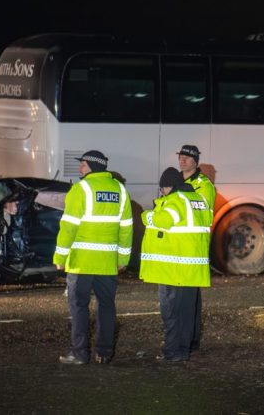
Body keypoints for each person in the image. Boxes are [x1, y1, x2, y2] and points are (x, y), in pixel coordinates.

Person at [54, 150, 133, 365]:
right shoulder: (120, 190)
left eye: (82, 165)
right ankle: (105, 353)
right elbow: (126, 228)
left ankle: (80, 353)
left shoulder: (81, 189)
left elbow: (68, 227)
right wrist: (123, 260)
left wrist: (60, 256)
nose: (80, 168)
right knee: (106, 306)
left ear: (91, 166)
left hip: (82, 262)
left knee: (79, 307)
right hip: (107, 264)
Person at [139, 167, 212, 362]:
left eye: (162, 189)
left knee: (171, 313)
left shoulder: (175, 201)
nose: (162, 192)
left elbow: (164, 220)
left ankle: (172, 352)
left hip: (173, 269)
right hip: (192, 267)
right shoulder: (199, 200)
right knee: (187, 314)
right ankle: (183, 350)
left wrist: (147, 216)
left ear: (168, 187)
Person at [176, 144, 216, 353]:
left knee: (190, 299)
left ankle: (190, 341)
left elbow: (197, 211)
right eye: (181, 156)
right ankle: (185, 339)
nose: (182, 160)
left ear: (195, 161)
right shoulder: (177, 180)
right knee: (183, 298)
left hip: (193, 247)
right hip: (178, 247)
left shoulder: (204, 185)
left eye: (187, 157)